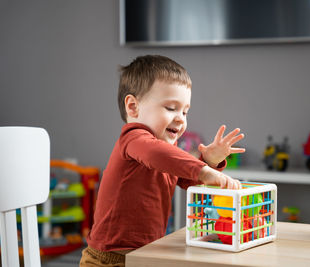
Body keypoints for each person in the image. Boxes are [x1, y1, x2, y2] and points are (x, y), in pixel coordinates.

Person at [80, 55, 245, 267]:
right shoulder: (134, 138)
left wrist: (209, 161)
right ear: (133, 107)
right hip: (110, 260)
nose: (181, 118)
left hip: (144, 254)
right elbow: (156, 154)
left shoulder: (168, 152)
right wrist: (203, 169)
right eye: (171, 108)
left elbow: (188, 180)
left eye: (185, 111)